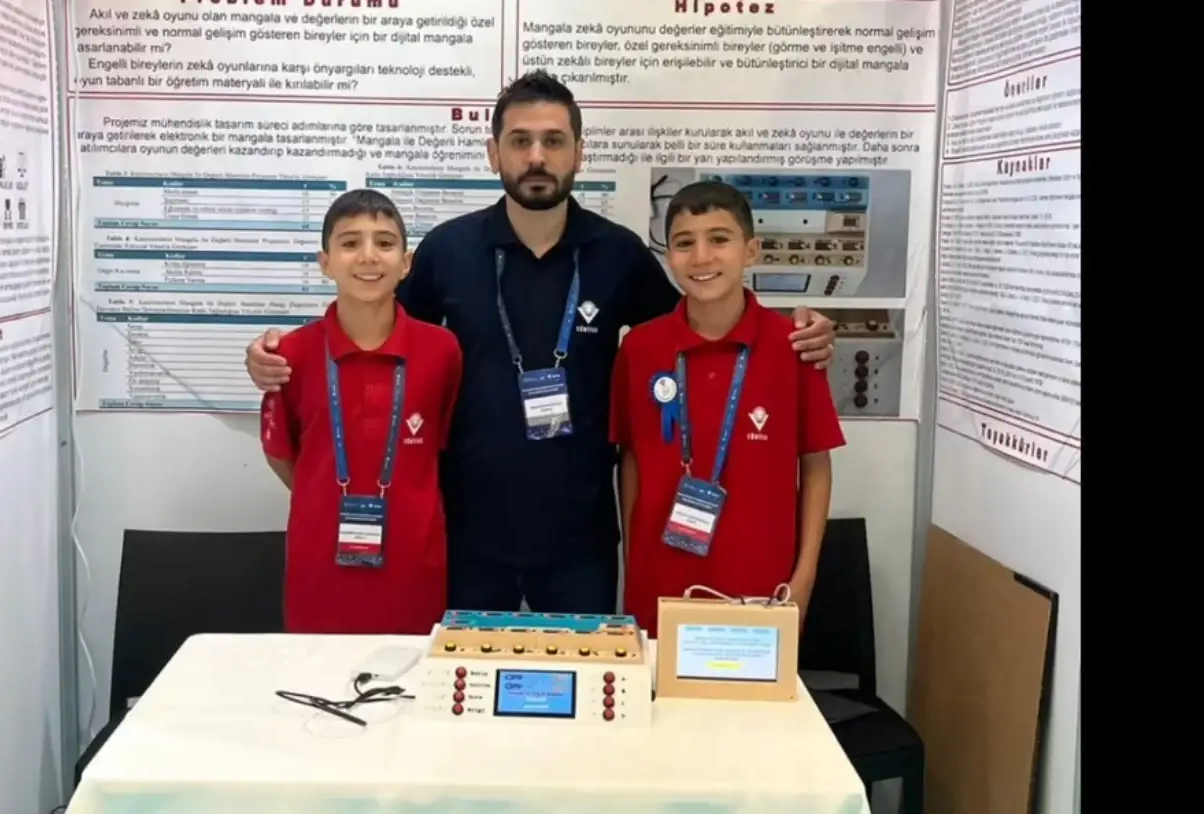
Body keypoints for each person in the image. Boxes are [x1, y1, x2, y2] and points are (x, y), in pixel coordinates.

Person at [245, 71, 837, 615]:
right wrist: (280, 355)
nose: (536, 156)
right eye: (520, 140)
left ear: (579, 153)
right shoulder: (448, 251)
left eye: (553, 141)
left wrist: (797, 330)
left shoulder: (618, 253)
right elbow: (373, 335)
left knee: (583, 691)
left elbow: (702, 323)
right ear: (493, 152)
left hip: (580, 539)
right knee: (465, 687)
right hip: (468, 535)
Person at [610, 180, 845, 632]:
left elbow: (816, 466)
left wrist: (804, 580)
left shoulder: (793, 346)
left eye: (719, 239)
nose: (701, 257)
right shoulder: (639, 349)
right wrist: (634, 565)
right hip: (660, 588)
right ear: (668, 256)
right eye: (684, 243)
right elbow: (632, 459)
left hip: (762, 589)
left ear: (751, 251)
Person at [259, 189, 462, 634]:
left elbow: (443, 446)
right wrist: (326, 496)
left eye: (384, 243)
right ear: (325, 262)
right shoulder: (291, 354)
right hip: (320, 568)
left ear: (406, 263)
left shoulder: (442, 350)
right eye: (350, 243)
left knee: (410, 673)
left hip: (414, 567)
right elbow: (281, 454)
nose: (368, 256)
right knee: (315, 671)